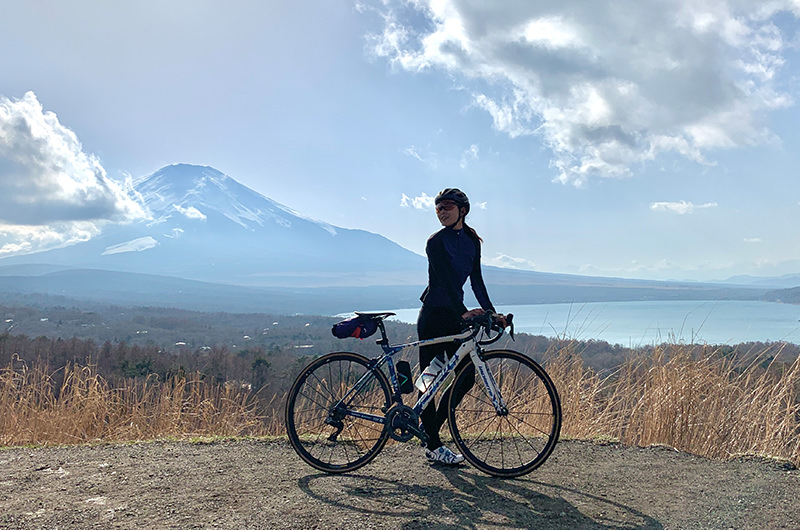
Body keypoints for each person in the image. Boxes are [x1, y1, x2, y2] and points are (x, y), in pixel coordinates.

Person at [417, 187, 504, 465]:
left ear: (462, 210)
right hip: (434, 316)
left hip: (455, 316)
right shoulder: (435, 242)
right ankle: (433, 444)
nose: (441, 212)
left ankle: (429, 430)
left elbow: (476, 280)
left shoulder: (472, 241)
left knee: (465, 378)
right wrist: (464, 312)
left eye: (447, 207)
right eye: (438, 208)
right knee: (429, 382)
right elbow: (443, 282)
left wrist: (491, 313)